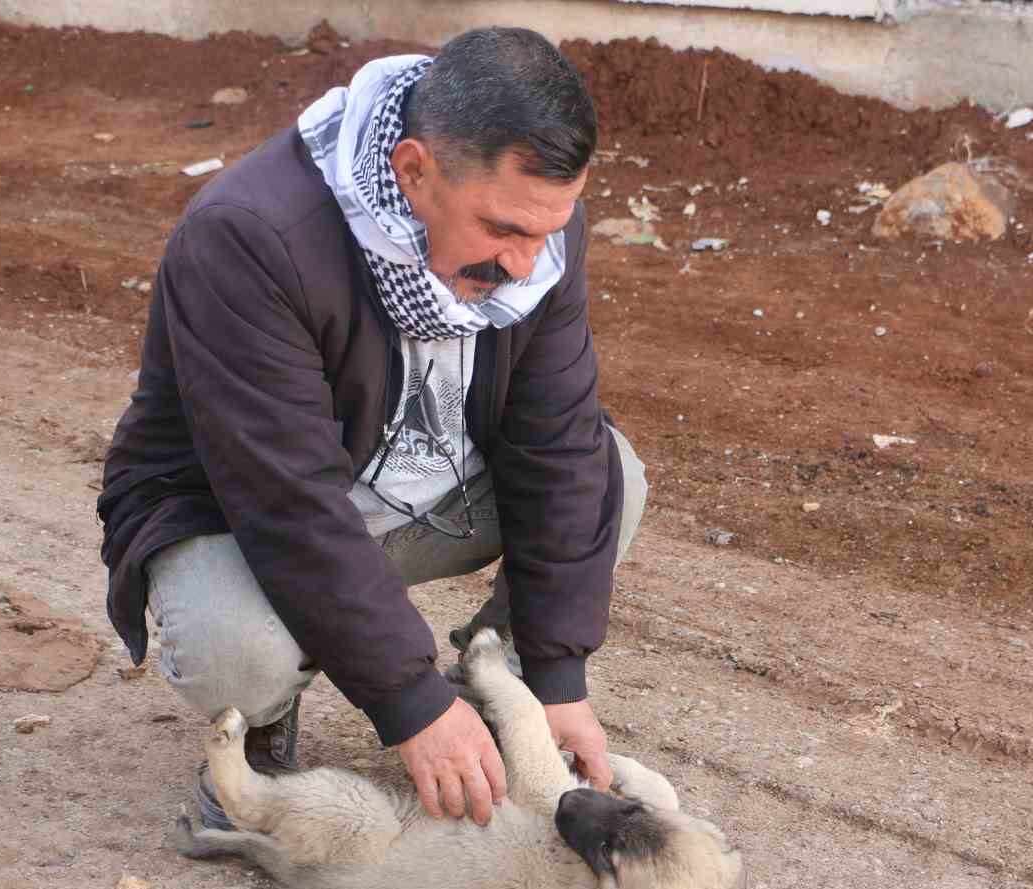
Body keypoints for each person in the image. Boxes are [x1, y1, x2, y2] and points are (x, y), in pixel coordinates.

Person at [95, 26, 647, 830]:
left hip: (415, 495)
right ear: (414, 170)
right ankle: (267, 708)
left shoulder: (537, 226)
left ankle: (503, 697)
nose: (528, 263)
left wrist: (555, 680)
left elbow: (555, 442)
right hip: (247, 517)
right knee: (233, 647)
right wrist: (408, 702)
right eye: (503, 231)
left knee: (609, 473)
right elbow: (287, 500)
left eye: (547, 231)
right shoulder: (250, 236)